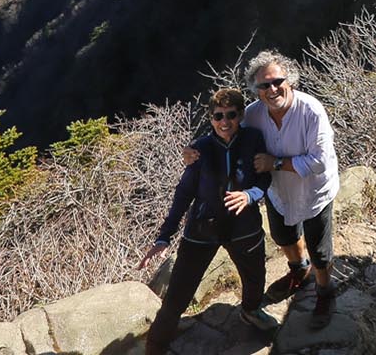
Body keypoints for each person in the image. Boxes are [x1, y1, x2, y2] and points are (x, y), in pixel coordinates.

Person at [138, 89, 276, 353]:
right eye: (218, 116)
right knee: (178, 293)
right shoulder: (200, 149)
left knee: (255, 276)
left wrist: (250, 195)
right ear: (211, 118)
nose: (225, 122)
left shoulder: (253, 140)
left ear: (241, 115)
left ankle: (250, 310)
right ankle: (156, 345)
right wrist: (165, 235)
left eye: (231, 115)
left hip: (243, 226)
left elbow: (264, 178)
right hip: (203, 229)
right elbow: (184, 193)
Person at [246, 49, 342, 327]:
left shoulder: (310, 110)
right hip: (279, 193)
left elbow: (319, 162)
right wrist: (198, 151)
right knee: (284, 237)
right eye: (264, 85)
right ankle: (299, 270)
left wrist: (275, 163)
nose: (272, 89)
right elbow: (229, 133)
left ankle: (325, 291)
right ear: (257, 91)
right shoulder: (253, 115)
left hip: (314, 191)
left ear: (291, 81)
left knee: (320, 250)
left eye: (278, 81)